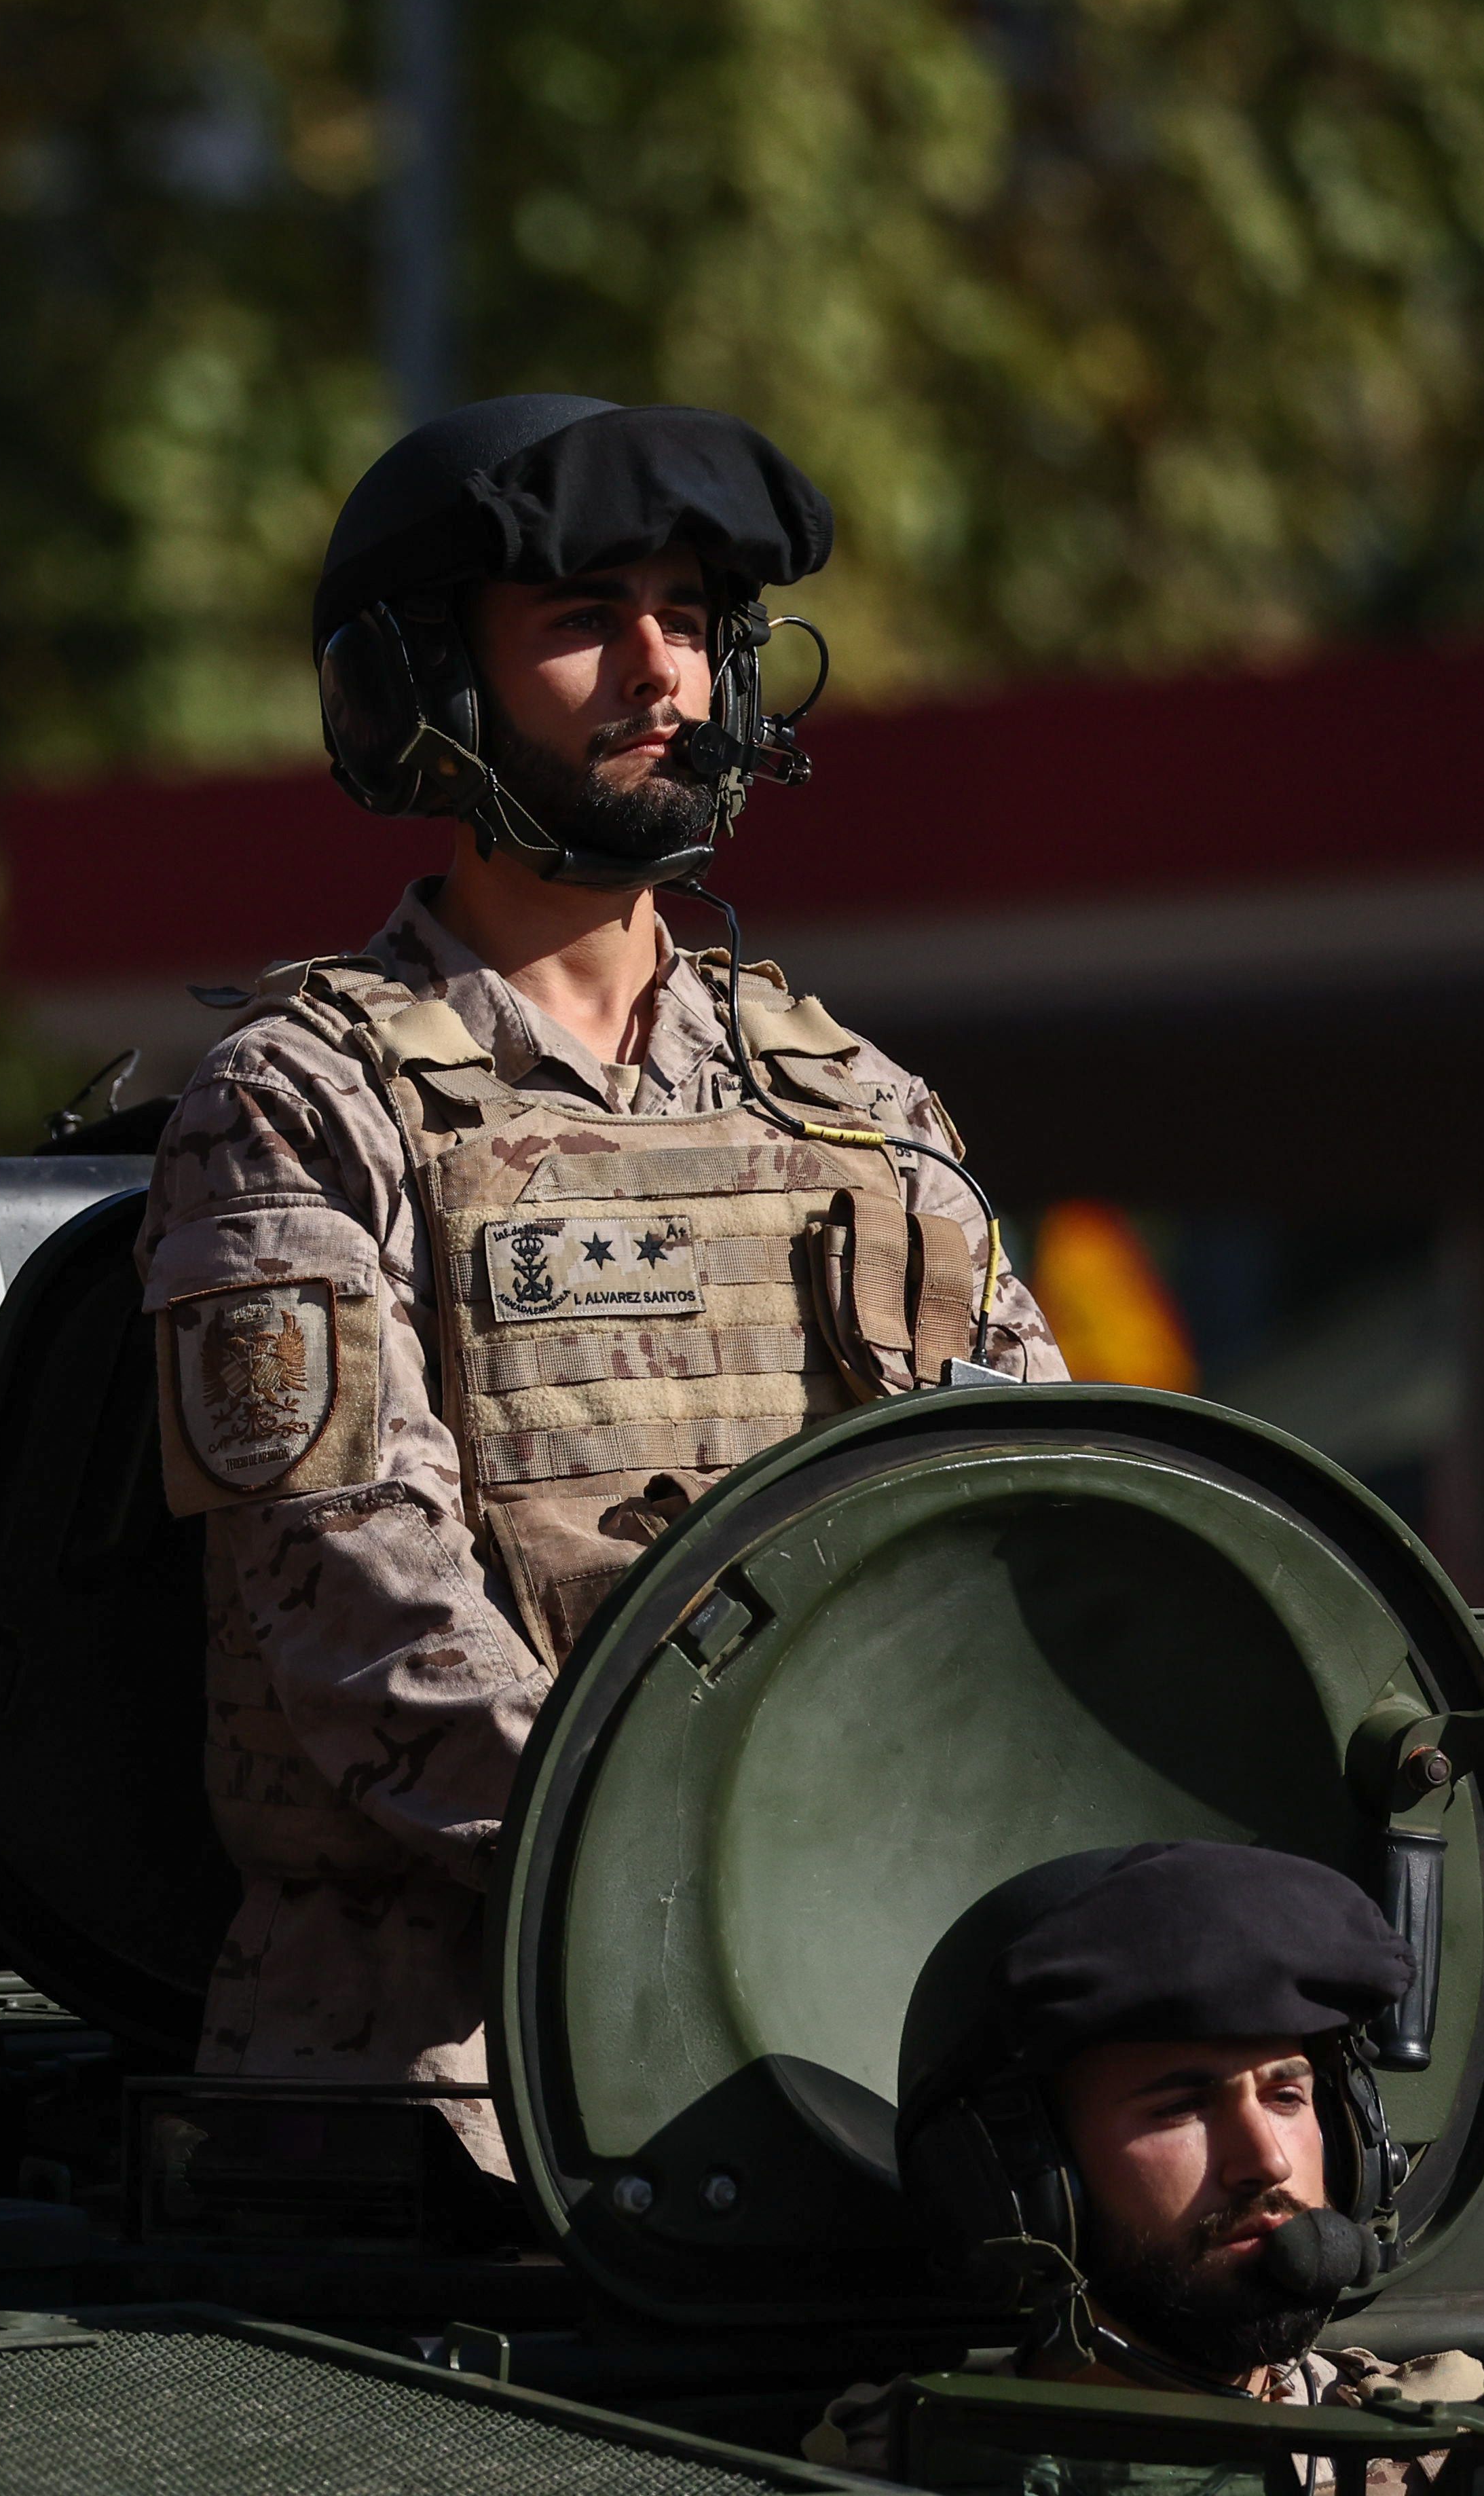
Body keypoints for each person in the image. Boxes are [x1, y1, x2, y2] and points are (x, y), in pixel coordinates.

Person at [134, 394, 1068, 2160]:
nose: (663, 674)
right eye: (583, 621)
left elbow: (1029, 1526)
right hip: (442, 2085)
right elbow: (355, 1604)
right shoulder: (298, 1101)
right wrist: (689, 1865)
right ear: (422, 685)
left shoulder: (854, 1104)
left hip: (848, 2044)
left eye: (691, 620)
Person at [809, 1839, 1481, 2486]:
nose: (1267, 2160)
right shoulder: (902, 2474)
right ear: (1026, 2182)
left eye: (1286, 2096)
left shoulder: (1450, 2447)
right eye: (1181, 2108)